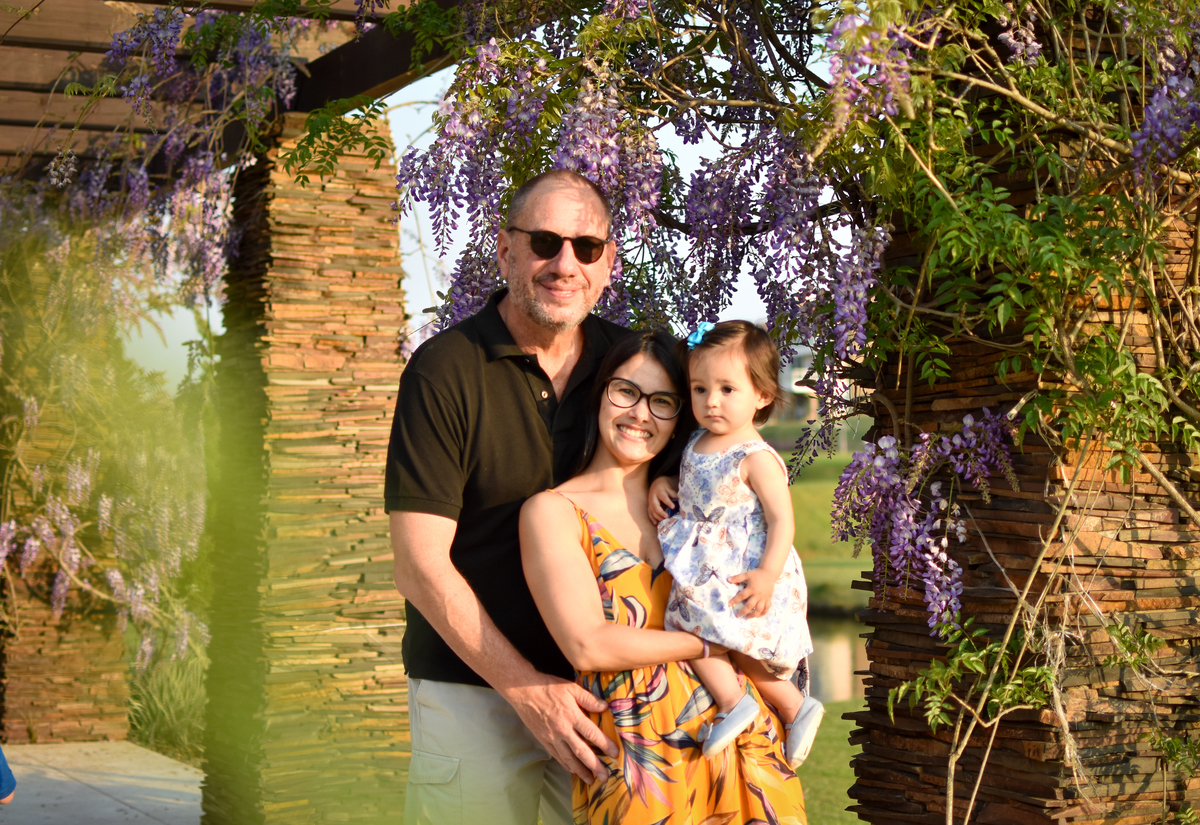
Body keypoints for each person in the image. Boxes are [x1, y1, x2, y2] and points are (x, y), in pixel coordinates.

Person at [386, 170, 632, 825]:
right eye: (545, 242)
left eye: (586, 247)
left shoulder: (630, 365)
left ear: (608, 260)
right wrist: (527, 689)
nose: (565, 264)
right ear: (504, 250)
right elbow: (418, 564)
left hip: (608, 695)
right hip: (474, 691)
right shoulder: (446, 369)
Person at [521, 329, 807, 825]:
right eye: (626, 391)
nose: (640, 414)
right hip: (644, 767)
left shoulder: (701, 512)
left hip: (751, 758)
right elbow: (588, 646)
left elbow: (770, 585)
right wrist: (713, 643)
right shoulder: (554, 512)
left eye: (662, 401)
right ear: (599, 394)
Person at [652, 320, 822, 766]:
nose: (711, 401)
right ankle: (788, 706)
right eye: (700, 388)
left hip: (743, 570)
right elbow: (694, 488)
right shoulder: (696, 440)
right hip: (706, 567)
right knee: (707, 634)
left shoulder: (755, 456)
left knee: (699, 631)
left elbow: (782, 520)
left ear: (762, 394)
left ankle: (743, 703)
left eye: (727, 389)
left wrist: (767, 575)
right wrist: (663, 484)